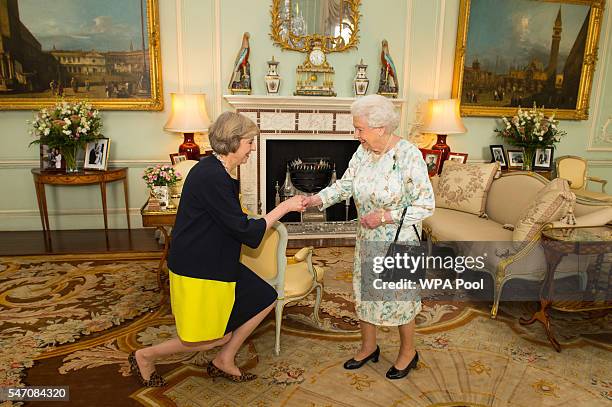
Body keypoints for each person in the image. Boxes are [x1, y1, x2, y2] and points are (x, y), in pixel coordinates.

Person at [129, 112, 307, 387]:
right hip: (199, 266)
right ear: (234, 142)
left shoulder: (215, 170)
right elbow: (246, 233)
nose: (252, 148)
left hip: (216, 258)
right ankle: (144, 355)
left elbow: (231, 219)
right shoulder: (212, 176)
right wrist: (284, 207)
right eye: (249, 142)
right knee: (212, 336)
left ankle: (224, 359)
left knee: (265, 296)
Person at [303, 94, 434, 380]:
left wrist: (384, 216)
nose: (356, 134)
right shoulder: (362, 153)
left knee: (400, 297)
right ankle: (368, 347)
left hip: (399, 239)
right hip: (367, 239)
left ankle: (408, 352)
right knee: (365, 292)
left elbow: (425, 204)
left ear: (380, 128)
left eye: (360, 128)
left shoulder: (408, 156)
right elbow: (345, 185)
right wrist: (315, 200)